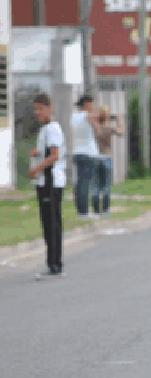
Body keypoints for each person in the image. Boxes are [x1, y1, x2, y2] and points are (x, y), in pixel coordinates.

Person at [29, 93, 67, 278]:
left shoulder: (52, 128)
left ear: (49, 108)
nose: (37, 113)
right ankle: (52, 262)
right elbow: (47, 152)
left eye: (40, 109)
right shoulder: (46, 129)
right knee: (48, 222)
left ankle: (54, 264)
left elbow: (54, 155)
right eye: (35, 109)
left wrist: (36, 168)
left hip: (50, 181)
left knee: (51, 223)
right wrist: (37, 152)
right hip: (45, 181)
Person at [71, 94, 100, 219]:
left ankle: (80, 210)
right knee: (85, 184)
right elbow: (97, 128)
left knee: (80, 182)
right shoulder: (87, 115)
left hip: (77, 152)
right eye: (91, 104)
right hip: (88, 153)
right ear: (86, 104)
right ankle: (84, 212)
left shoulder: (73, 117)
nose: (92, 106)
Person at [94, 106, 124, 215]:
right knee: (106, 185)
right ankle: (106, 210)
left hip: (96, 157)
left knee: (96, 185)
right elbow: (121, 132)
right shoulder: (109, 128)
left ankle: (96, 210)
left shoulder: (95, 128)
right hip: (106, 156)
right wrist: (119, 119)